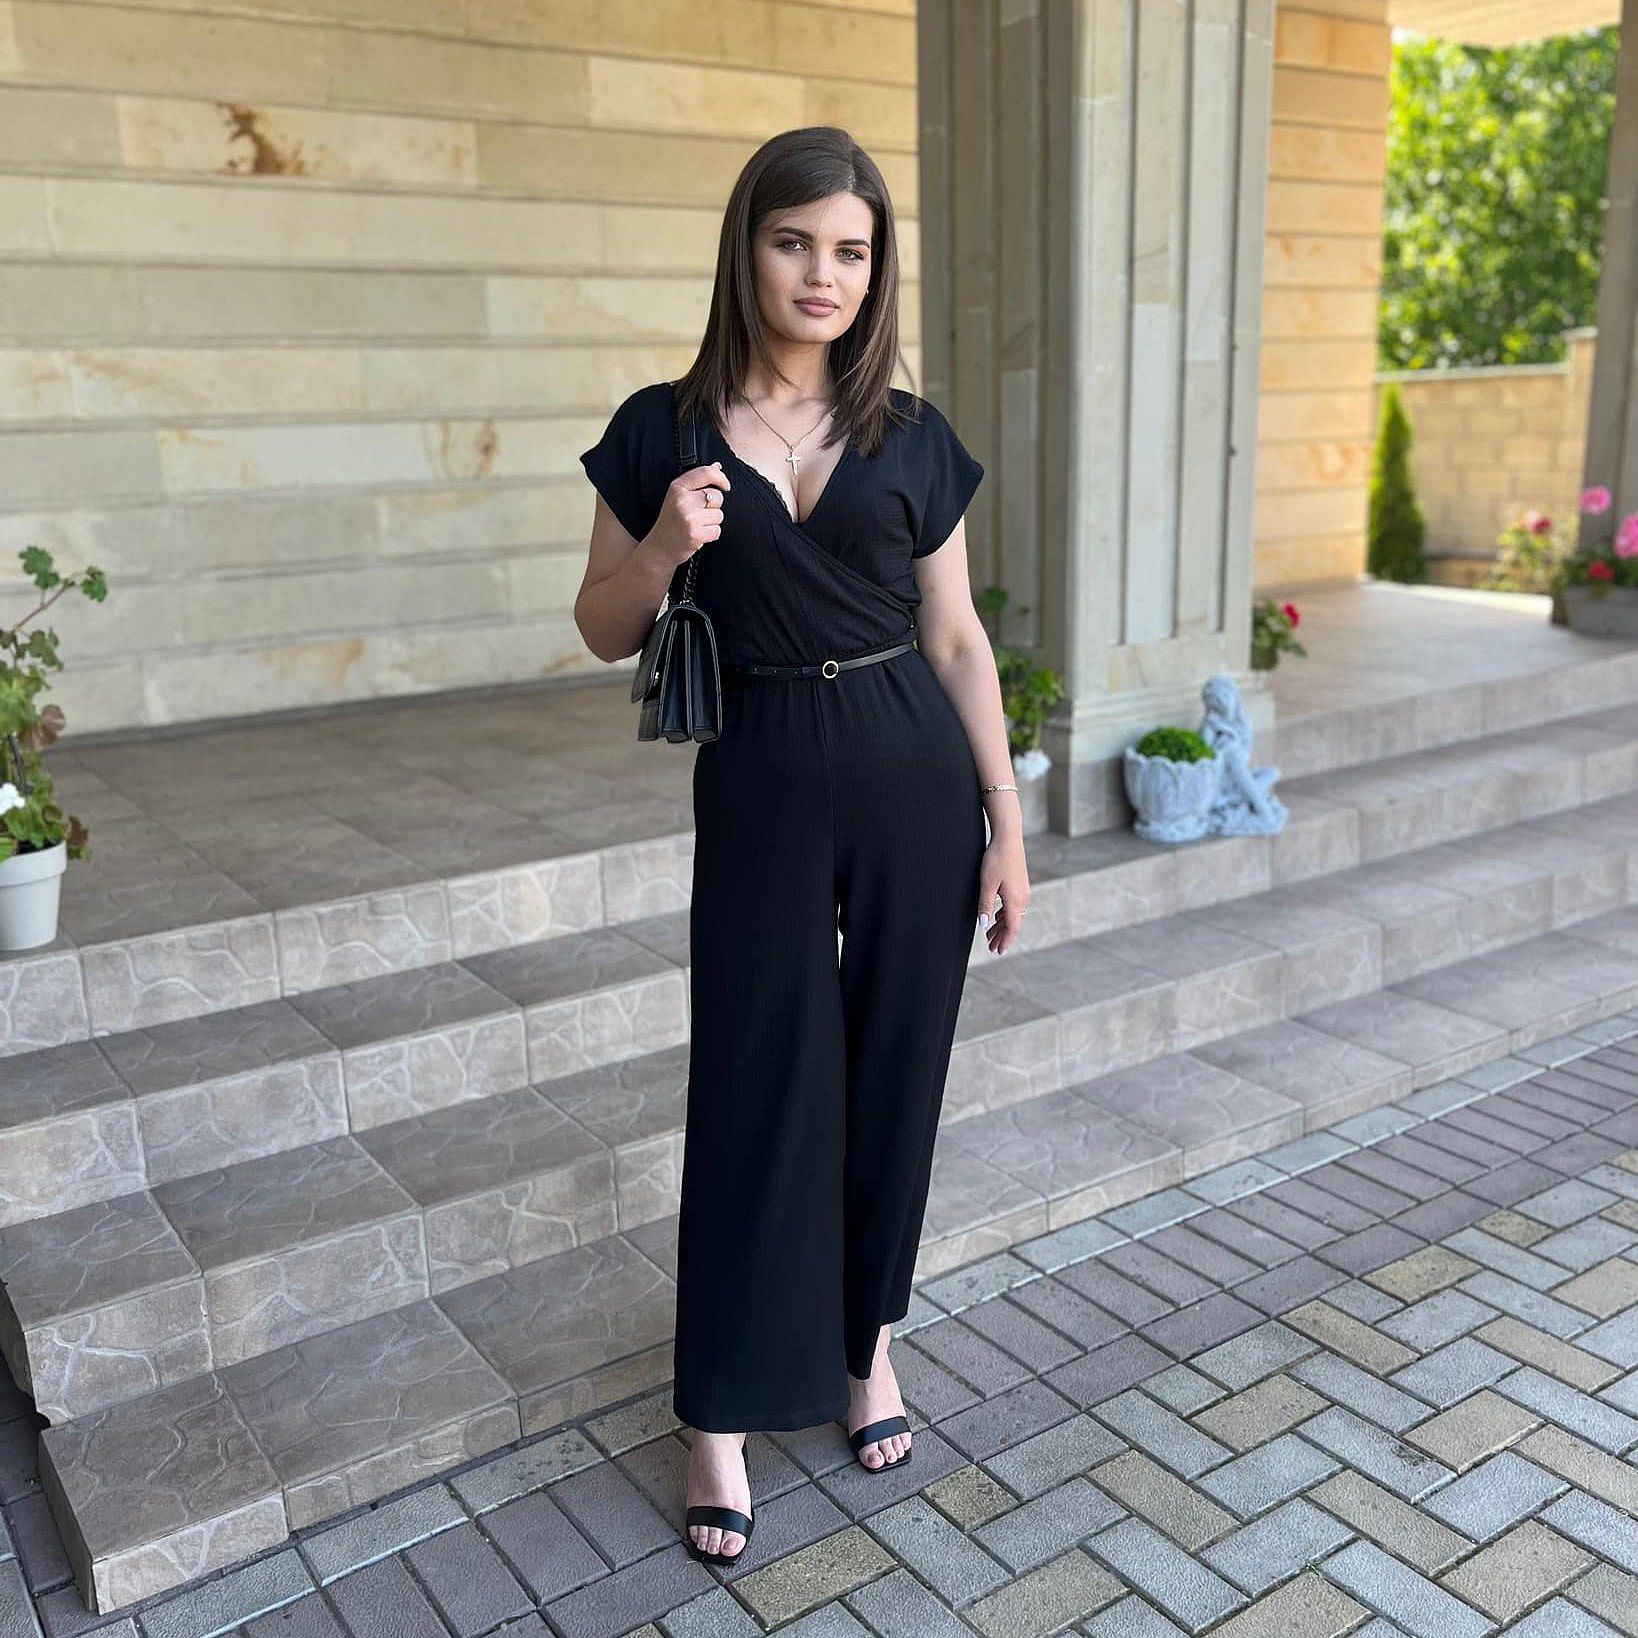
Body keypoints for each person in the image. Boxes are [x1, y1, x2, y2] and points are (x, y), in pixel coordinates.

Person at [574, 125, 1030, 1568]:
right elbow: (600, 625)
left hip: (913, 779)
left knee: (895, 1076)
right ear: (746, 250)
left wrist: (1006, 820)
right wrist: (663, 546)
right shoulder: (660, 427)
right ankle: (716, 1409)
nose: (822, 274)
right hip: (761, 773)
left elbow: (956, 638)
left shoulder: (911, 434)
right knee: (755, 1080)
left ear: (876, 269)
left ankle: (862, 1347)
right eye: (794, 242)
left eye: (851, 250)